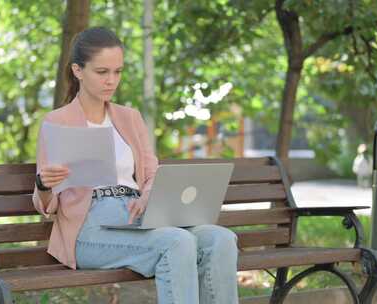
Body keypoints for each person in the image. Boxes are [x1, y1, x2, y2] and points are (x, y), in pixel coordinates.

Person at [32, 27, 239, 304]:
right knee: (177, 243)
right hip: (90, 229)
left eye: (117, 72)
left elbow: (151, 173)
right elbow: (47, 204)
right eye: (102, 72)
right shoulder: (57, 122)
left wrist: (148, 194)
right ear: (78, 71)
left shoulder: (129, 117)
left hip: (139, 216)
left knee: (221, 239)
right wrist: (43, 184)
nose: (111, 81)